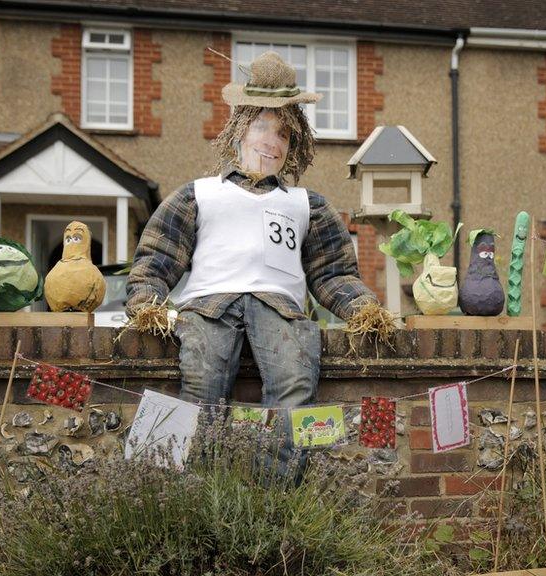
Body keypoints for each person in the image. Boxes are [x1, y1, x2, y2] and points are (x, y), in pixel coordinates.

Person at [126, 51, 381, 478]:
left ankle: (274, 502)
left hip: (280, 308)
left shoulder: (308, 205)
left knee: (295, 387)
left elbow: (333, 272)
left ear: (292, 144)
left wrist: (363, 309)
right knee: (201, 385)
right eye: (262, 127)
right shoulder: (198, 194)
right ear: (240, 130)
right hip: (209, 306)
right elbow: (158, 255)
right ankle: (195, 494)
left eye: (283, 134)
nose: (271, 141)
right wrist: (146, 301)